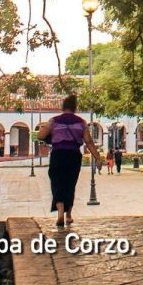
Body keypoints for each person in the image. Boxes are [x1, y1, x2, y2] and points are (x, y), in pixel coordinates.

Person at [37, 94, 100, 229]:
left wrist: (47, 130)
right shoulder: (81, 123)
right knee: (70, 183)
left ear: (63, 107)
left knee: (57, 182)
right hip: (74, 155)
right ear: (75, 108)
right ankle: (69, 215)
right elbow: (88, 142)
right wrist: (98, 158)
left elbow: (40, 136)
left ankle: (60, 212)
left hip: (58, 154)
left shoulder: (54, 121)